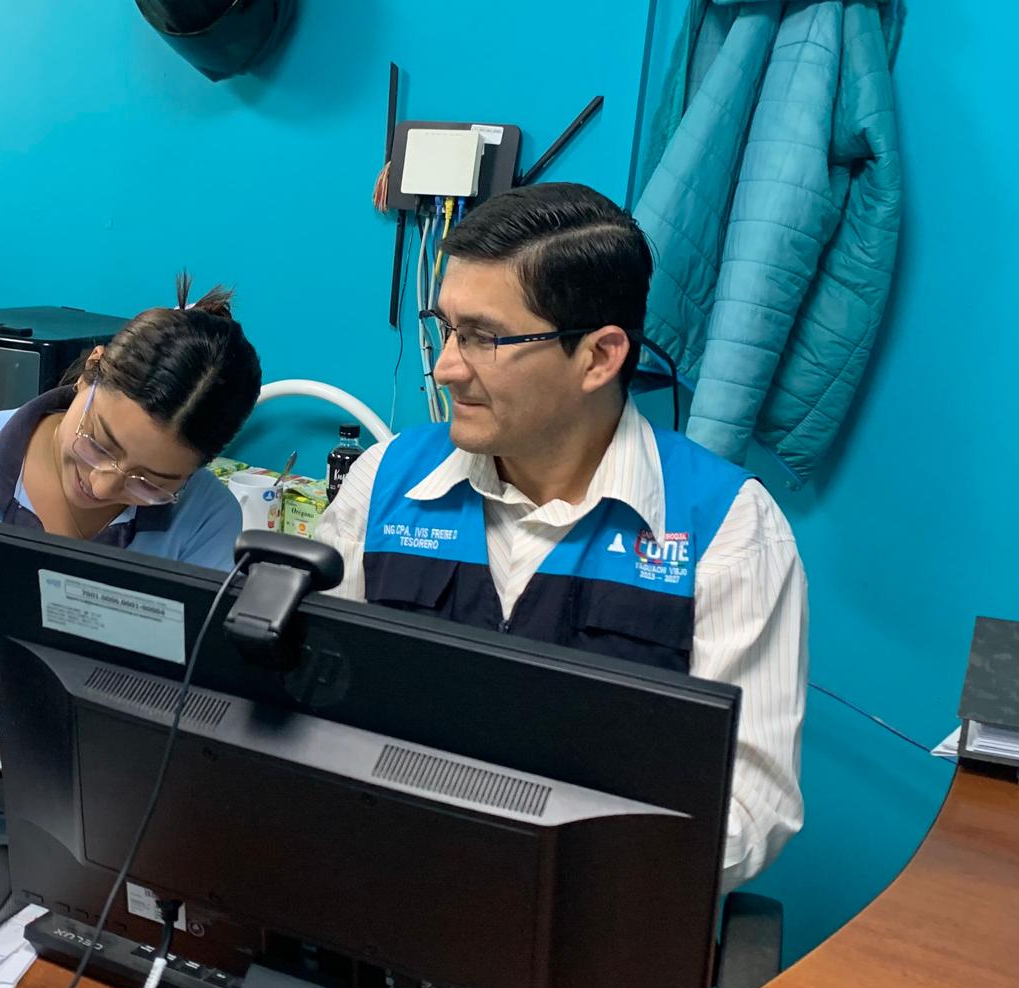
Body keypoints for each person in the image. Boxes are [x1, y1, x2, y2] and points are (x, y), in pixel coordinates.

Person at [315, 183, 807, 890]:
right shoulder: (385, 484)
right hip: (387, 880)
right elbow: (309, 702)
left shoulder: (726, 528)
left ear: (599, 357)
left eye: (483, 337)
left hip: (589, 905)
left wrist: (531, 870)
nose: (446, 366)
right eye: (445, 328)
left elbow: (748, 806)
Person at [0, 274, 261, 642]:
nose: (102, 486)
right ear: (90, 369)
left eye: (149, 483)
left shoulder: (207, 518)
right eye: (99, 443)